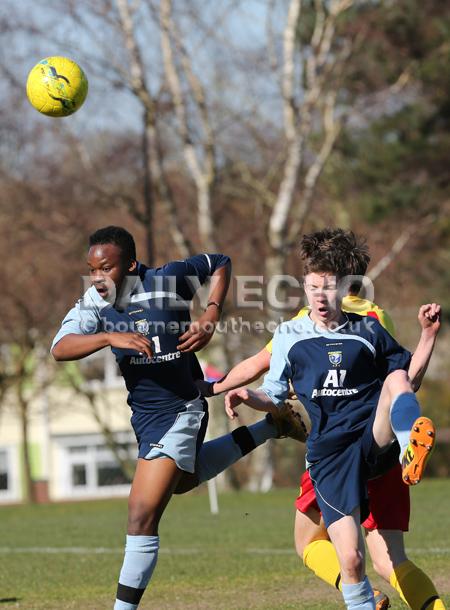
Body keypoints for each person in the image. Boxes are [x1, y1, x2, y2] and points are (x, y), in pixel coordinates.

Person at [51, 226, 306, 610]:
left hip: (181, 409)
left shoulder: (168, 280)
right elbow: (59, 348)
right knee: (183, 481)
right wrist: (107, 337)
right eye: (92, 269)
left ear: (131, 265)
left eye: (106, 268)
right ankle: (270, 427)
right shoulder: (95, 303)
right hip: (145, 417)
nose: (97, 278)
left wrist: (210, 314)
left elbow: (220, 263)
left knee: (140, 515)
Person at [214, 229, 442, 610]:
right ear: (303, 287)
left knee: (397, 378)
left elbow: (408, 379)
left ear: (343, 287)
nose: (321, 295)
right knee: (354, 559)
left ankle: (408, 447)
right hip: (331, 454)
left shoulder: (367, 327)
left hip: (373, 440)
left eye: (329, 286)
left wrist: (428, 336)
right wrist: (243, 394)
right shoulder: (291, 333)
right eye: (313, 286)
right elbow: (272, 392)